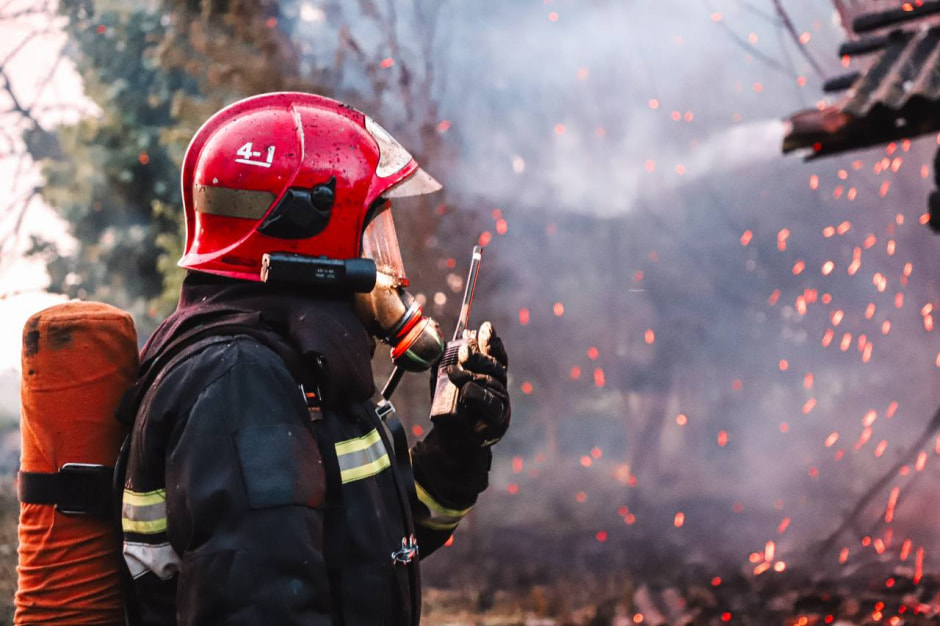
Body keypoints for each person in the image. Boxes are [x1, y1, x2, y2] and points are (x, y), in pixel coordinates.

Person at [120, 92, 511, 626]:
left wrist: (458, 448)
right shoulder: (239, 386)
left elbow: (375, 547)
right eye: (374, 238)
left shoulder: (301, 371)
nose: (390, 270)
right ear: (315, 244)